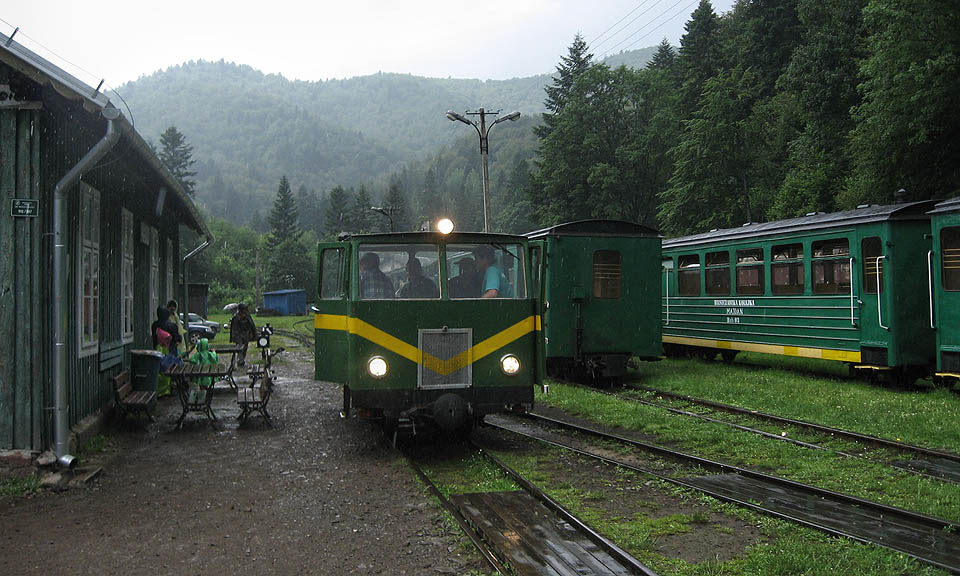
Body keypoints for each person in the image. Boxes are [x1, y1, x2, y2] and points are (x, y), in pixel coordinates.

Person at [151, 307, 182, 397]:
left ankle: (160, 391)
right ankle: (168, 389)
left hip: (158, 350)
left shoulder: (154, 325)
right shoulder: (172, 326)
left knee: (160, 371)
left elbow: (154, 338)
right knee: (170, 370)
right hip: (170, 351)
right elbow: (178, 338)